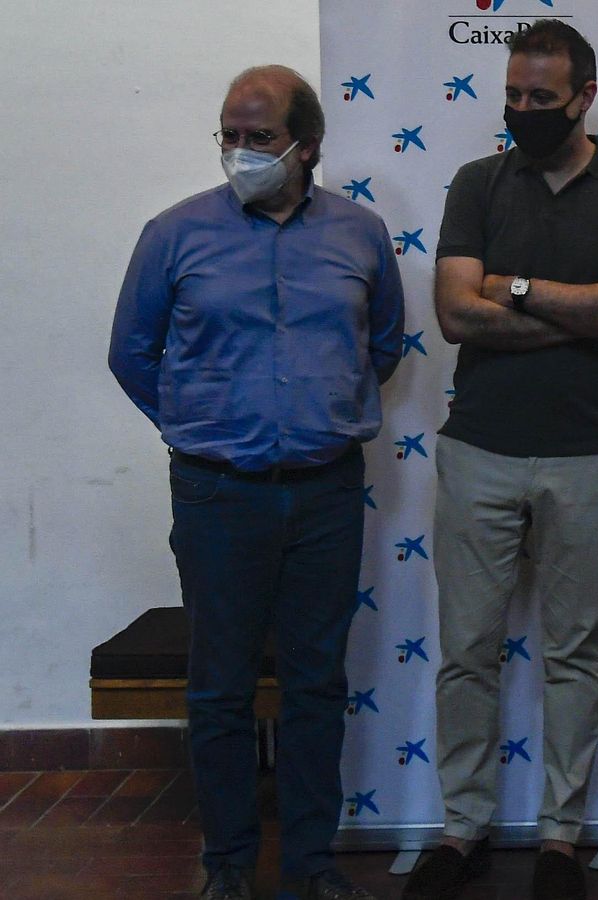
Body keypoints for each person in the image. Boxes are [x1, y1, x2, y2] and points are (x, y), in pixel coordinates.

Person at [108, 66, 404, 900]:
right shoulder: (174, 234)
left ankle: (311, 866)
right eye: (228, 136)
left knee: (316, 683)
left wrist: (321, 412)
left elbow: (383, 344)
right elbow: (132, 353)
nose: (240, 151)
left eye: (258, 137)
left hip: (325, 491)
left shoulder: (360, 233)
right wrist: (196, 425)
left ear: (306, 145)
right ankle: (229, 865)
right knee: (221, 688)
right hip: (217, 494)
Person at [399, 19, 598, 900]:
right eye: (512, 95)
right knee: (467, 651)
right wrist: (586, 300)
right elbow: (453, 315)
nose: (522, 111)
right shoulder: (479, 183)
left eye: (541, 99)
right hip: (478, 448)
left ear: (585, 97)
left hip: (591, 454)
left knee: (574, 655)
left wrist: (511, 286)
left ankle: (562, 837)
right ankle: (460, 830)